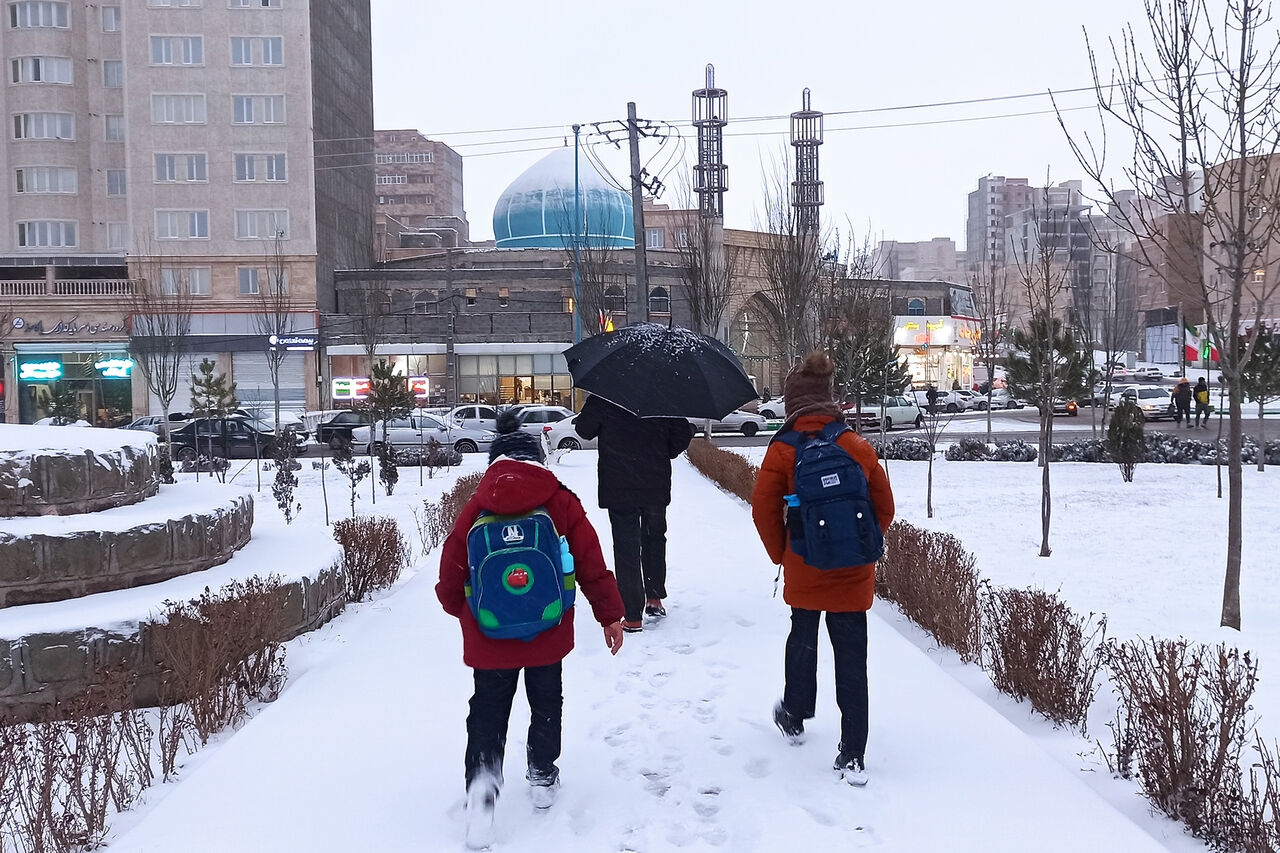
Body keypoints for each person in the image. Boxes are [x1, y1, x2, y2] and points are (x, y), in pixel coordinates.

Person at [436, 412, 625, 844]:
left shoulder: (477, 503)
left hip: (489, 633)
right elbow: (591, 561)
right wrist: (610, 615)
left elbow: (452, 566)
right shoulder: (560, 500)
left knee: (487, 707)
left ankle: (482, 783)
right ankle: (542, 775)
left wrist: (455, 606)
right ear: (538, 460)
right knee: (546, 698)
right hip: (548, 629)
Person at [750, 352, 895, 787]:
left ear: (793, 402)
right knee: (852, 656)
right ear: (828, 397)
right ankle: (853, 752)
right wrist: (860, 545)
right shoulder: (853, 444)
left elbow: (762, 509)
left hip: (804, 565)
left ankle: (794, 713)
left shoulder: (782, 448)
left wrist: (783, 554)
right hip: (852, 573)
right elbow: (883, 505)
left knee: (803, 636)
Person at [574, 395, 696, 632]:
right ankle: (654, 598)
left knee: (625, 547)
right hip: (655, 483)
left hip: (618, 485)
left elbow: (585, 430)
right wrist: (661, 449)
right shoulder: (664, 396)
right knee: (654, 538)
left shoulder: (605, 395)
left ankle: (631, 616)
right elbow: (681, 436)